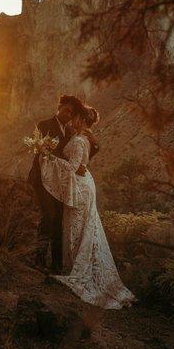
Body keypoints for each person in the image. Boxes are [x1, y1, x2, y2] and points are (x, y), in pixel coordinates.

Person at [39, 105, 135, 309]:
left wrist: (48, 157)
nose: (72, 120)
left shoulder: (80, 140)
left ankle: (77, 269)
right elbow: (80, 166)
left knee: (77, 226)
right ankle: (75, 265)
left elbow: (73, 168)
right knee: (83, 227)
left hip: (81, 188)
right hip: (84, 183)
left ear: (82, 120)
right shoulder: (86, 137)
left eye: (76, 118)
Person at [27, 95, 98, 273]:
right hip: (41, 179)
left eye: (71, 113)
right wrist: (73, 165)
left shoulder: (70, 132)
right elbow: (45, 153)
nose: (68, 115)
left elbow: (94, 146)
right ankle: (39, 259)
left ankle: (57, 264)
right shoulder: (44, 125)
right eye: (66, 110)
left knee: (59, 219)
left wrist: (82, 165)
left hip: (61, 183)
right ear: (59, 107)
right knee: (48, 216)